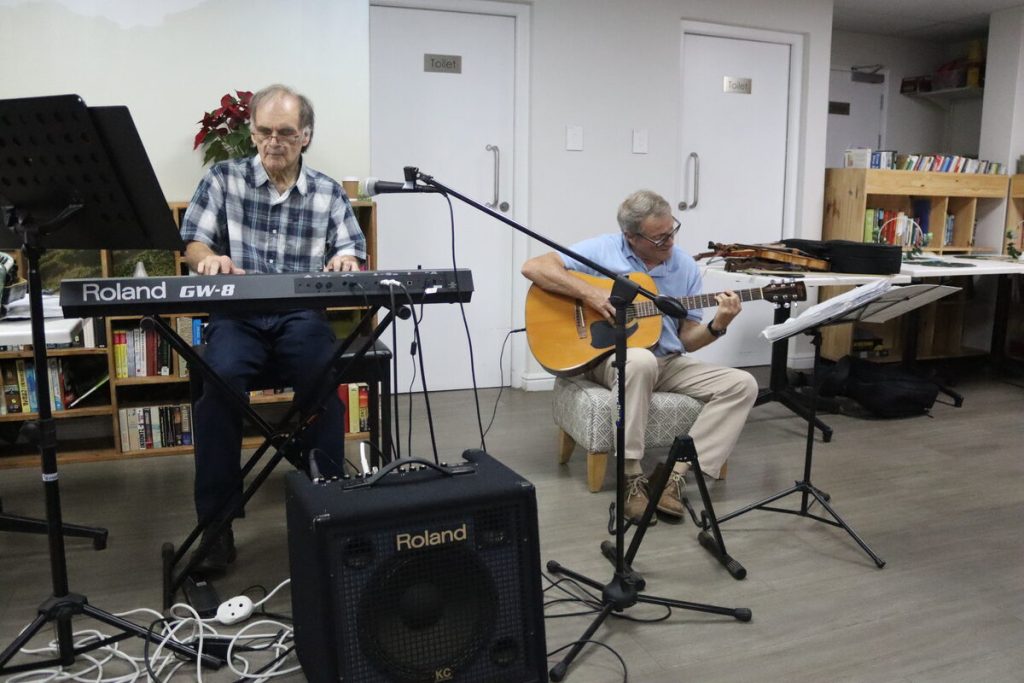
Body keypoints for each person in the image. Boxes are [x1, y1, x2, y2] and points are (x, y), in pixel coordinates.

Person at [180, 84, 365, 572]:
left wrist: (344, 259)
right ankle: (217, 528)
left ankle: (329, 510)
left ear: (306, 135)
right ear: (252, 132)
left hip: (301, 315)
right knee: (218, 389)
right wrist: (209, 260)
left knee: (324, 383)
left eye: (286, 132)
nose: (274, 141)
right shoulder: (223, 179)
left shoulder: (327, 192)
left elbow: (350, 249)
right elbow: (193, 241)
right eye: (264, 131)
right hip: (237, 316)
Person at [521, 190, 757, 523]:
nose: (670, 243)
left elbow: (688, 340)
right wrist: (592, 293)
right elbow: (534, 267)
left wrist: (720, 324)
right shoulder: (602, 249)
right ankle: (632, 477)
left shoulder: (685, 267)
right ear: (631, 237)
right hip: (607, 359)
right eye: (659, 239)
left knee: (743, 384)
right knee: (640, 361)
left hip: (668, 361)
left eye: (672, 232)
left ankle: (673, 477)